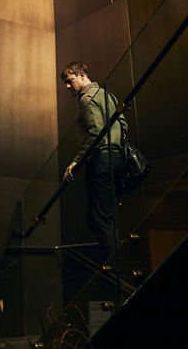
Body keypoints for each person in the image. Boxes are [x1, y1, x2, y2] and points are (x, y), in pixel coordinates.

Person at [61, 61, 127, 263]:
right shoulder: (108, 95)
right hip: (117, 158)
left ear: (82, 75)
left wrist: (75, 162)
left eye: (69, 80)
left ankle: (116, 266)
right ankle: (114, 262)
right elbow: (123, 124)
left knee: (99, 217)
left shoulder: (86, 99)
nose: (67, 87)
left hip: (101, 159)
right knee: (103, 214)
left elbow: (95, 134)